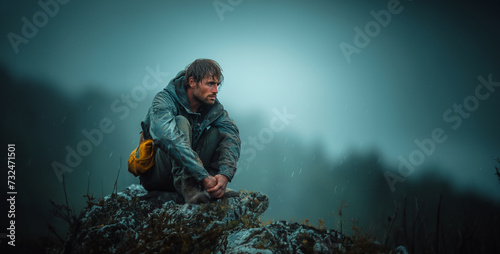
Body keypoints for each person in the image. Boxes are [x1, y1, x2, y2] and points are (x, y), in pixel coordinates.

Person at [133, 59, 241, 204]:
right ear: (192, 82)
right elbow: (166, 137)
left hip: (197, 175)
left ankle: (212, 188)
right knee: (180, 122)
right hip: (158, 176)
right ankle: (189, 188)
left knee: (218, 132)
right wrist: (202, 176)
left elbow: (232, 135)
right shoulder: (164, 100)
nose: (215, 90)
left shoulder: (214, 107)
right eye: (210, 84)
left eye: (217, 85)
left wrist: (224, 175)